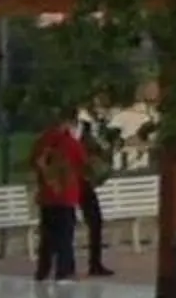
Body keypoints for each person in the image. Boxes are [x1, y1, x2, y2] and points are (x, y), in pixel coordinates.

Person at [29, 108, 88, 282]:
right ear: (68, 123)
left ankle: (43, 271)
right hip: (66, 195)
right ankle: (64, 271)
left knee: (47, 236)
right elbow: (83, 164)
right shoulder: (71, 143)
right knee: (65, 236)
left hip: (47, 196)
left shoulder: (42, 141)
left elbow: (33, 162)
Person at [77, 112, 115, 278]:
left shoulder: (84, 141)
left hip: (82, 185)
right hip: (82, 186)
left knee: (95, 223)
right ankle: (94, 263)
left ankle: (95, 263)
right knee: (95, 222)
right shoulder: (84, 142)